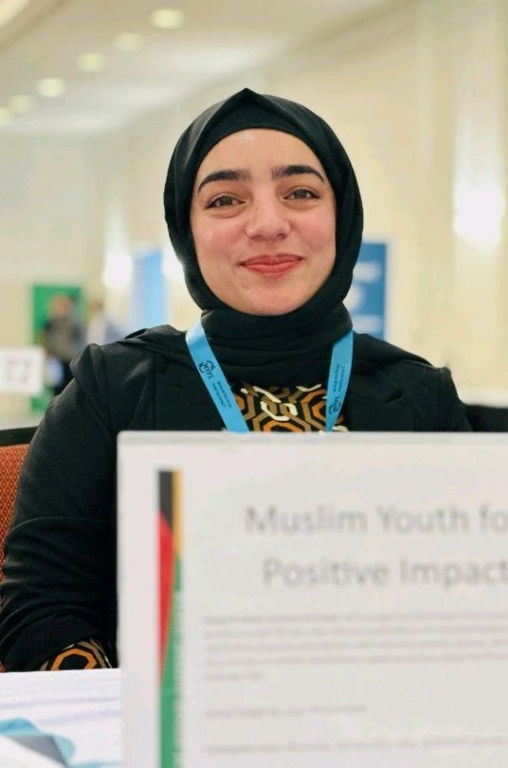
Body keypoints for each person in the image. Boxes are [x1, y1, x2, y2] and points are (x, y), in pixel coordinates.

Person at [0, 89, 470, 672]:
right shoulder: (113, 389)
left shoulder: (419, 396)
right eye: (225, 200)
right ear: (186, 231)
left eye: (300, 193)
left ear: (342, 215)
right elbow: (41, 610)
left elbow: (470, 603)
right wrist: (146, 709)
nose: (269, 224)